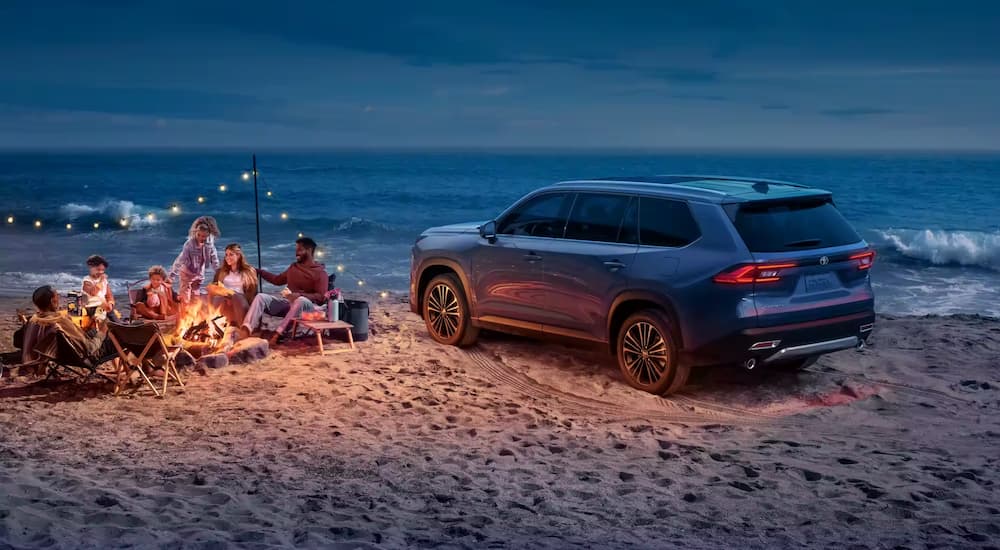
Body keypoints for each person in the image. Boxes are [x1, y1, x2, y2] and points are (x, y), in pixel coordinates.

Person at [239, 237, 328, 346]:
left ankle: (278, 334)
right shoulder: (293, 267)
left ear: (309, 250)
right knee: (261, 297)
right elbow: (277, 280)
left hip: (309, 309)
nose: (296, 253)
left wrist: (299, 295)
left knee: (300, 300)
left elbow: (321, 297)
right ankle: (246, 329)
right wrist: (259, 271)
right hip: (289, 305)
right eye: (296, 250)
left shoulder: (320, 272)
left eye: (300, 250)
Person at [22, 285, 109, 365]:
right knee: (113, 333)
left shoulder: (35, 319)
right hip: (88, 356)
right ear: (53, 301)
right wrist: (102, 332)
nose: (59, 298)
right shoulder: (60, 321)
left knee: (92, 329)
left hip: (62, 356)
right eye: (57, 296)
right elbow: (89, 349)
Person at [168, 216, 220, 316]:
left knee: (196, 296)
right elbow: (180, 259)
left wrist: (219, 274)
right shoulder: (189, 244)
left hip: (199, 274)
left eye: (204, 236)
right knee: (185, 297)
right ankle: (184, 317)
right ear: (196, 232)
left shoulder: (210, 245)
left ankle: (193, 316)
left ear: (208, 234)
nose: (201, 238)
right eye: (199, 235)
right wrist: (172, 276)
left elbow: (215, 261)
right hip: (187, 273)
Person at [209, 243, 258, 325]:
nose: (228, 257)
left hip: (242, 302)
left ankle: (240, 326)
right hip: (225, 302)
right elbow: (214, 288)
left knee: (235, 296)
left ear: (238, 256)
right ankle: (212, 322)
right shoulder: (221, 271)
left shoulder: (248, 271)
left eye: (231, 255)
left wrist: (233, 297)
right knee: (210, 295)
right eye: (226, 255)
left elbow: (252, 293)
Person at [81, 254, 121, 322]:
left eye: (103, 270)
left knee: (111, 313)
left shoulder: (104, 281)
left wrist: (110, 303)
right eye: (98, 269)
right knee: (104, 312)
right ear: (91, 267)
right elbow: (93, 292)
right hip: (91, 307)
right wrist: (101, 281)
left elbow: (109, 295)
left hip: (103, 305)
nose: (101, 272)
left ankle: (120, 325)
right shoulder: (87, 281)